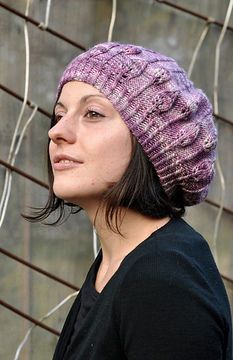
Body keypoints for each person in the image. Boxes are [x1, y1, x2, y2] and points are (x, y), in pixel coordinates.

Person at [29, 42, 232, 359]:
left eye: (93, 113)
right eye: (59, 114)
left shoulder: (163, 282)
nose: (57, 132)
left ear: (153, 146)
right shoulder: (120, 263)